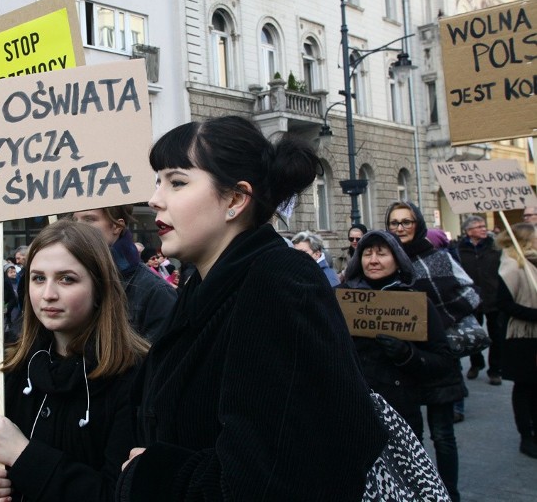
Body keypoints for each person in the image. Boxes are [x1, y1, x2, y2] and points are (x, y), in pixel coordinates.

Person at [117, 116, 387, 500]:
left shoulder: (278, 283)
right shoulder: (204, 282)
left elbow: (282, 479)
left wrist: (153, 474)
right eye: (158, 181)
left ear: (235, 200)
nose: (154, 199)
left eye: (176, 182)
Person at [0, 220, 150, 502]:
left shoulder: (135, 375)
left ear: (99, 287)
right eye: (38, 278)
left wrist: (24, 455)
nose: (48, 294)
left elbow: (118, 492)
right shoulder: (11, 370)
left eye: (67, 279)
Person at [385, 201, 477, 502]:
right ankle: (419, 492)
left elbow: (471, 295)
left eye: (406, 222)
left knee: (443, 437)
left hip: (439, 359)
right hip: (401, 362)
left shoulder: (437, 258)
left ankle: (450, 493)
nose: (400, 229)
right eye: (394, 223)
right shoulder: (386, 261)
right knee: (409, 437)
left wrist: (434, 320)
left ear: (418, 224)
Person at [341, 230, 456, 436]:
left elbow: (443, 360)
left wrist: (407, 355)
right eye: (367, 254)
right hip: (352, 408)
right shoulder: (341, 299)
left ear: (397, 259)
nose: (373, 260)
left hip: (400, 412)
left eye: (382, 253)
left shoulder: (415, 303)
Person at [73, 206, 177, 341]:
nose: (77, 227)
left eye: (89, 219)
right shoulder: (68, 276)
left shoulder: (156, 292)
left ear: (117, 226)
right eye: (74, 220)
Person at [495, 222, 537, 459]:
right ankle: (526, 436)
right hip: (521, 336)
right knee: (525, 386)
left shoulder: (534, 261)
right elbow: (504, 304)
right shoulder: (511, 265)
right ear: (526, 240)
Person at [457, 215, 503, 385]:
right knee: (473, 336)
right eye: (479, 226)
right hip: (471, 299)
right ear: (468, 231)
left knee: (497, 336)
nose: (484, 229)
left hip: (494, 298)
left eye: (484, 226)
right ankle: (476, 364)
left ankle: (495, 370)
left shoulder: (495, 247)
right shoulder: (459, 249)